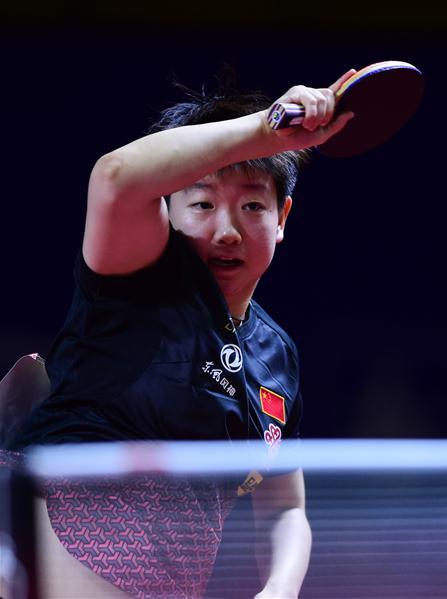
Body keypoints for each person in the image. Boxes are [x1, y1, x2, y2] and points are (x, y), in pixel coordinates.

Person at [3, 67, 358, 598]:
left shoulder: (276, 357)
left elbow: (284, 508)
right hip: (43, 552)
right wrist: (264, 130)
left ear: (282, 218)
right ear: (166, 207)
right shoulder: (134, 277)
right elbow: (115, 176)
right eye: (202, 204)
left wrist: (278, 591)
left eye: (252, 206)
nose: (227, 231)